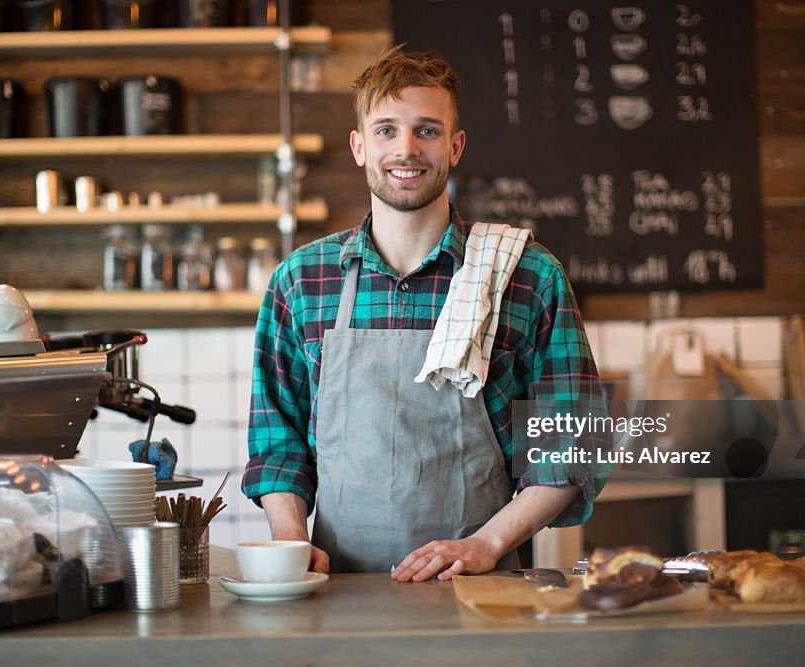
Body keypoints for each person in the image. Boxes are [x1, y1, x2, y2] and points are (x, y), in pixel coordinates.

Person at [243, 45, 608, 581]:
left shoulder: (526, 276)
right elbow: (277, 442)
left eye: (427, 131)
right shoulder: (300, 281)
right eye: (386, 130)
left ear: (456, 146)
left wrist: (487, 543)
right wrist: (292, 540)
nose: (406, 149)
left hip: (479, 587)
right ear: (359, 146)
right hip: (333, 591)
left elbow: (573, 441)